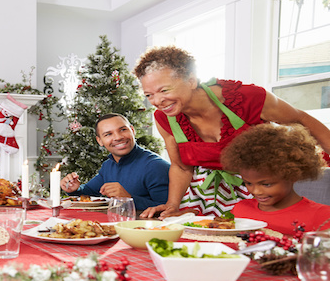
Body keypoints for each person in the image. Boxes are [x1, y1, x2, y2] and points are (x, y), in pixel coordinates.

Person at [134, 45, 330, 218]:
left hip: (257, 189)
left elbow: (301, 119)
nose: (157, 101)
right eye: (149, 95)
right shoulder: (164, 118)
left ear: (191, 81)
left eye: (164, 90)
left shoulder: (246, 98)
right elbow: (182, 167)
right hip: (203, 197)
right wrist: (172, 205)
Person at [220, 124, 330, 235]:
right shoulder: (241, 209)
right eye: (248, 183)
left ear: (292, 175)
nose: (255, 191)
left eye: (266, 184)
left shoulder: (322, 215)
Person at [61, 113, 170, 210]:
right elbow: (88, 192)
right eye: (108, 134)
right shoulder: (109, 165)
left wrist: (128, 199)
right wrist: (74, 189)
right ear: (100, 141)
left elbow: (167, 209)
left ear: (132, 130)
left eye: (123, 130)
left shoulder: (156, 166)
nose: (118, 137)